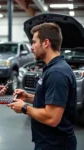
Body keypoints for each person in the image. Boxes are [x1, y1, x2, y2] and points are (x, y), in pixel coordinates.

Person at [8, 22, 77, 150]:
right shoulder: (52, 68)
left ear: (46, 43)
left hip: (55, 145)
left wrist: (24, 108)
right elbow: (53, 100)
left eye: (34, 42)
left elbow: (52, 118)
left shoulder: (57, 73)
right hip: (48, 142)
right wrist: (28, 97)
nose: (32, 47)